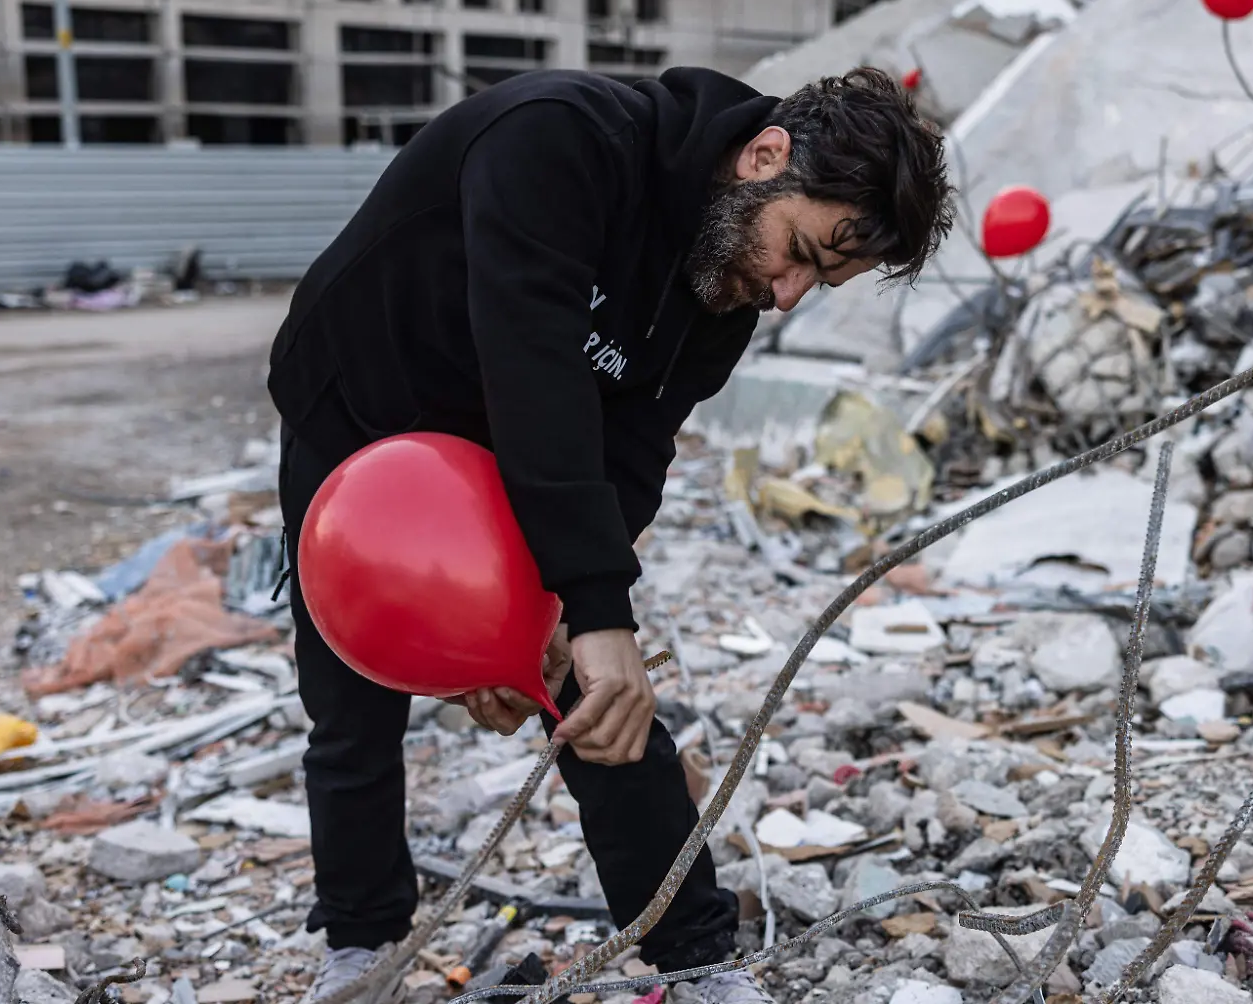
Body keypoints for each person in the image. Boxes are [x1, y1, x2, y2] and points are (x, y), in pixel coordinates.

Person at [268, 64, 953, 1003]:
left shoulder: (722, 283)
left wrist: (556, 617)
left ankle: (699, 957)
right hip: (363, 408)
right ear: (765, 155)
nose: (788, 293)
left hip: (516, 438)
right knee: (351, 704)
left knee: (599, 694)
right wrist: (593, 607)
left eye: (819, 280)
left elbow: (629, 455)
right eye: (800, 250)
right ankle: (362, 948)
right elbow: (534, 365)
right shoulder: (561, 138)